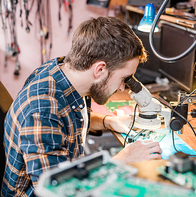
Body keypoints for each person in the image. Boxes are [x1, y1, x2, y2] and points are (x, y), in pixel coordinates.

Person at [1, 17, 162, 196]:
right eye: (123, 78)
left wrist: (109, 121)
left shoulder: (63, 73)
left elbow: (70, 118)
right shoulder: (42, 110)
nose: (122, 88)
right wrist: (122, 160)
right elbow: (60, 191)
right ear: (99, 69)